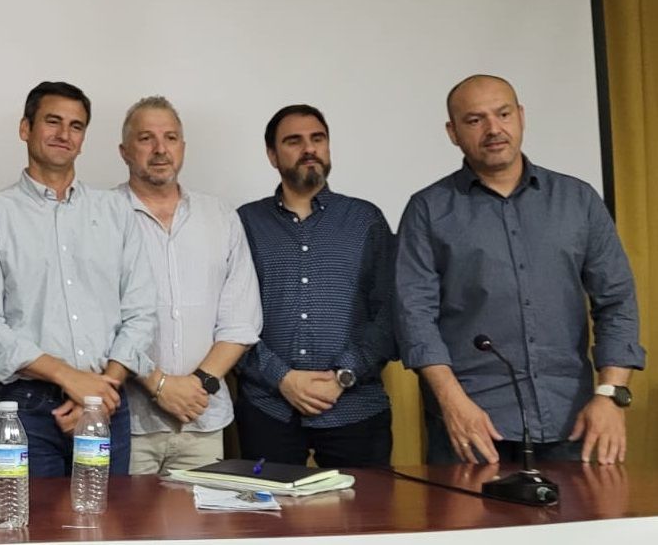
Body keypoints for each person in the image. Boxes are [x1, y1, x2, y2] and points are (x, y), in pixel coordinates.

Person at [396, 75, 645, 465]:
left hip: (573, 421)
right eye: (474, 120)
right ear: (452, 132)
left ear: (522, 117)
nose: (493, 129)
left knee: (579, 526)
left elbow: (616, 301)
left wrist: (610, 395)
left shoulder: (578, 201)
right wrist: (452, 403)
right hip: (472, 428)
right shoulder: (428, 210)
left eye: (503, 113)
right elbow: (414, 316)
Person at [0, 81, 157, 476]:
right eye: (53, 122)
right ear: (25, 129)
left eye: (76, 126)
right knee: (30, 530)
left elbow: (141, 311)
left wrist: (101, 391)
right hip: (27, 410)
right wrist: (68, 377)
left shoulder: (116, 211)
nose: (64, 134)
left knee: (108, 529)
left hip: (108, 403)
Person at [235, 104, 397, 467]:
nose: (309, 149)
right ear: (272, 155)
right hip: (269, 409)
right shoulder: (244, 223)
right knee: (270, 520)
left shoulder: (365, 220)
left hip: (356, 407)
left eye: (318, 139)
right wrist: (283, 378)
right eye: (294, 141)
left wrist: (344, 374)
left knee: (366, 520)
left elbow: (389, 312)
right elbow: (230, 318)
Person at [115, 97, 261, 475]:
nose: (161, 149)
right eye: (146, 138)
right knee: (128, 532)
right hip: (128, 423)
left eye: (171, 138)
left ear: (183, 147)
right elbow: (96, 321)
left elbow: (241, 321)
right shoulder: (101, 216)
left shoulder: (221, 217)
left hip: (202, 419)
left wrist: (197, 386)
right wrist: (160, 385)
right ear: (124, 151)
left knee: (202, 530)